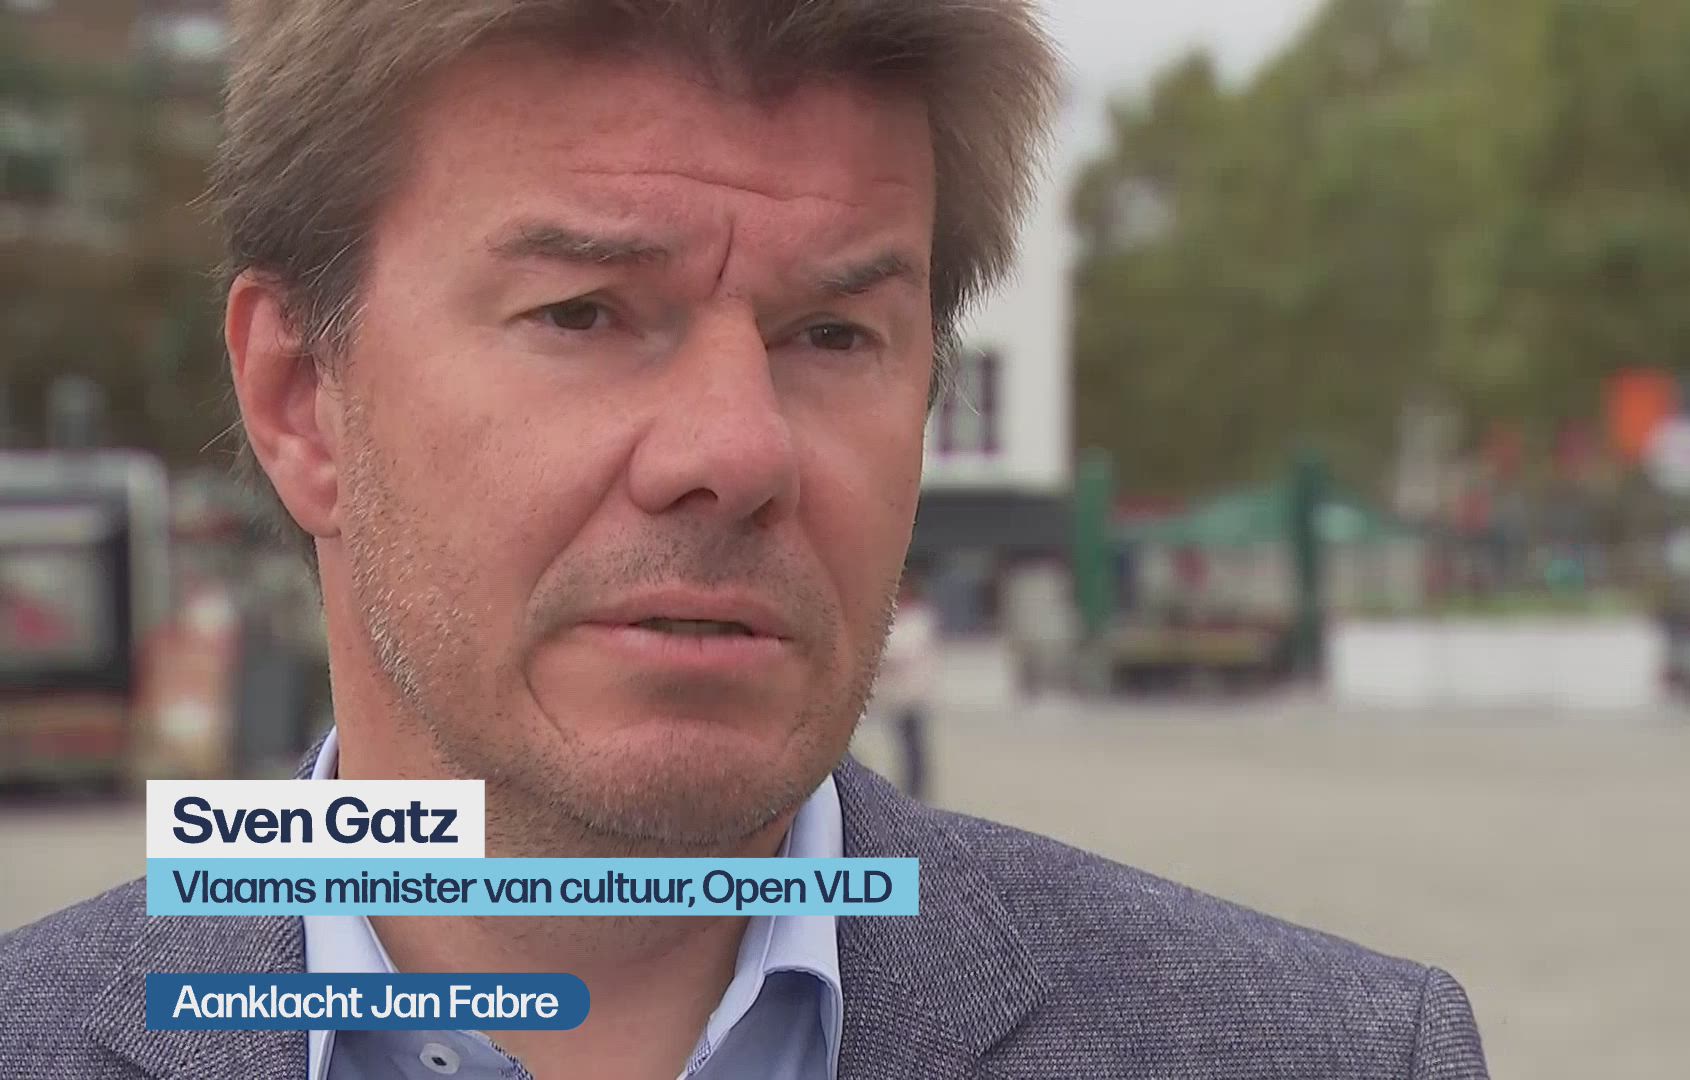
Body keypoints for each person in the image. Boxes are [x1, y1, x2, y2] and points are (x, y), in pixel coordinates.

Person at [0, 2, 1489, 1077]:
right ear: (298, 399)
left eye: (834, 332)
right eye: (585, 313)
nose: (738, 450)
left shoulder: (1332, 1053)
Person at [871, 575, 938, 800]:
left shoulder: (918, 619)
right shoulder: (897, 618)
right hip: (896, 696)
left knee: (913, 747)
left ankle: (916, 791)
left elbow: (900, 651)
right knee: (902, 746)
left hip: (912, 695)